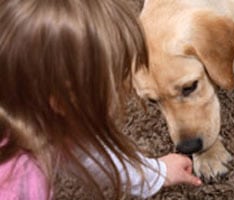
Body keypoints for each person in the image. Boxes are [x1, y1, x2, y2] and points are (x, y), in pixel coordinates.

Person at [0, 0, 202, 199]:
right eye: (114, 85)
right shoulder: (19, 187)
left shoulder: (46, 114)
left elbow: (86, 151)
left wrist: (157, 173)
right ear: (63, 103)